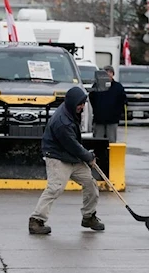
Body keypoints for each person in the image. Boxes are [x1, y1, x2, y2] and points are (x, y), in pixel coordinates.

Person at [29, 87, 105, 235]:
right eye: (80, 104)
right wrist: (88, 157)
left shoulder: (71, 110)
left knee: (90, 183)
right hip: (57, 156)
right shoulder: (62, 122)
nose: (82, 107)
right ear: (72, 102)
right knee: (55, 187)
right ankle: (36, 220)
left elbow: (74, 146)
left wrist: (85, 155)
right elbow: (73, 145)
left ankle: (88, 216)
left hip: (72, 157)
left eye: (83, 103)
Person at [89, 65, 127, 143]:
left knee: (111, 141)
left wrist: (118, 114)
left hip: (112, 120)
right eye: (106, 72)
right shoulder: (96, 86)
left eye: (110, 72)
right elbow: (92, 99)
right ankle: (98, 155)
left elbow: (123, 101)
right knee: (98, 141)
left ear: (113, 74)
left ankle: (110, 155)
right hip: (99, 120)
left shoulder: (118, 87)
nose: (108, 74)